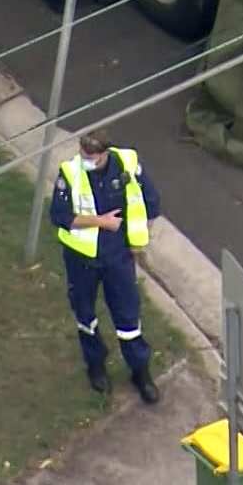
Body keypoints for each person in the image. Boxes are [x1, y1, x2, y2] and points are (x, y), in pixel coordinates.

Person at [49, 128, 162, 403]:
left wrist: (138, 239)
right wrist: (101, 222)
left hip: (118, 256)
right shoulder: (71, 173)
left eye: (91, 156)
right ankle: (96, 366)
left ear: (105, 153)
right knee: (85, 315)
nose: (85, 160)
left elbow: (151, 202)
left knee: (128, 317)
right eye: (83, 154)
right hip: (81, 258)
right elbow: (59, 215)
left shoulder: (127, 164)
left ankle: (140, 372)